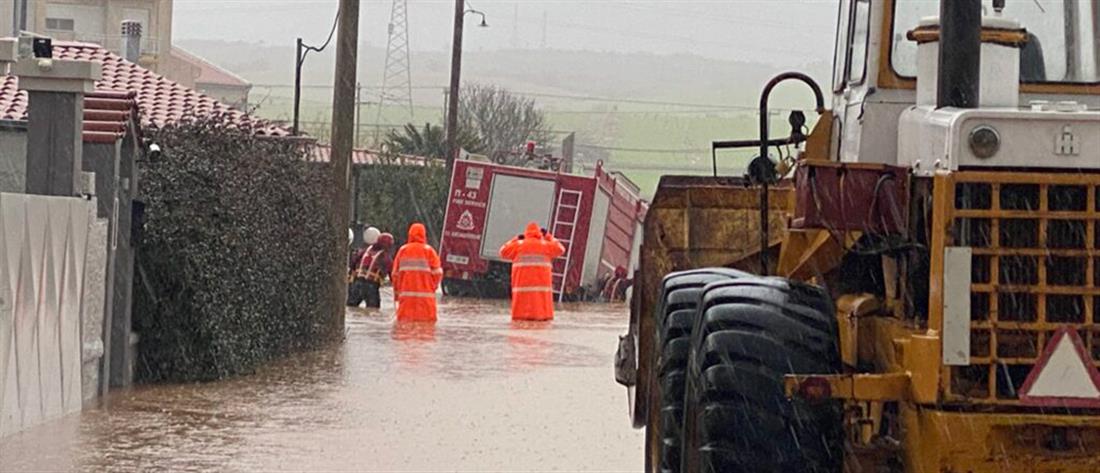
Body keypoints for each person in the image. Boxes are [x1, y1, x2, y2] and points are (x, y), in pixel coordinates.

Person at [500, 222, 566, 321]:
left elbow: (502, 251)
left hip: (521, 305)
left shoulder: (518, 245)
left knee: (519, 328)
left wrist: (516, 239)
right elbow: (561, 249)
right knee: (541, 329)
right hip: (541, 308)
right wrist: (548, 236)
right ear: (539, 234)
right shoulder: (545, 245)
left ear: (526, 233)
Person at [392, 223, 443, 322]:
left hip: (406, 302)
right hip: (426, 302)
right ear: (424, 235)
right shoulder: (429, 251)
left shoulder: (402, 250)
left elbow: (395, 275)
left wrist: (397, 295)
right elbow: (438, 273)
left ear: (409, 234)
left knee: (404, 331)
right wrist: (431, 286)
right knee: (426, 331)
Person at [348, 233, 394, 308]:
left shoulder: (364, 251)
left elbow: (353, 263)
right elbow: (393, 274)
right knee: (374, 310)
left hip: (357, 284)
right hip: (371, 287)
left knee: (351, 307)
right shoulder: (386, 257)